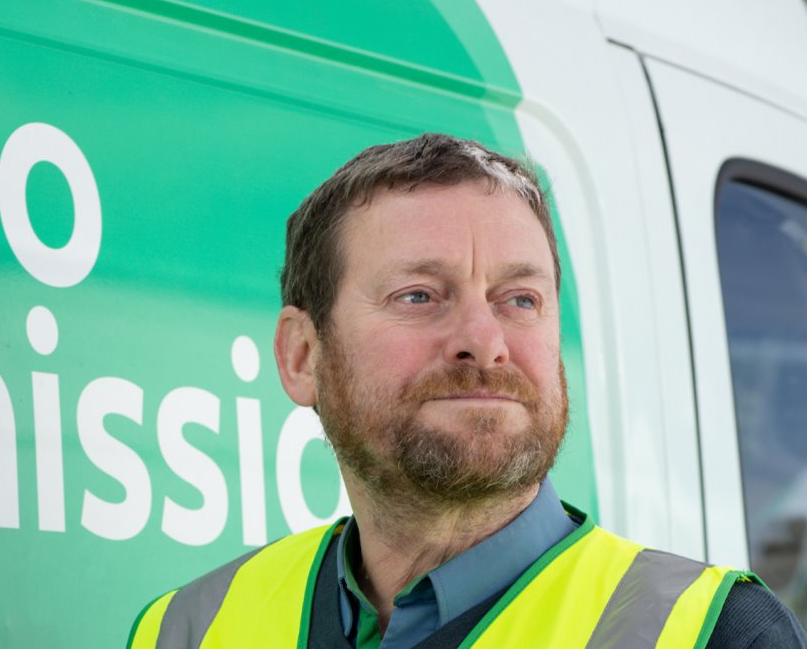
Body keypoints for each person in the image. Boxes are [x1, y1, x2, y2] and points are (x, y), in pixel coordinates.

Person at [127, 133, 807, 648]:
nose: (485, 340)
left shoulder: (715, 635)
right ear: (302, 355)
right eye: (419, 295)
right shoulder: (184, 628)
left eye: (520, 299)